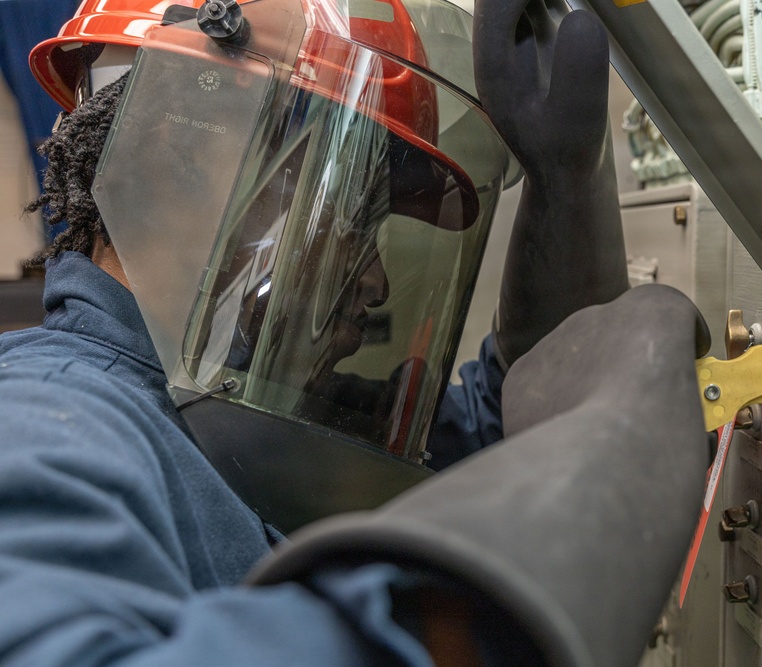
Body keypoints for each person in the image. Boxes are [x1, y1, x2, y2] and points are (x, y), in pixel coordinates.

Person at [0, 0, 710, 664]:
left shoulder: (249, 410)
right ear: (175, 146)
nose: (374, 282)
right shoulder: (49, 423)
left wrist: (567, 190)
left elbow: (494, 442)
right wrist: (458, 621)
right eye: (350, 214)